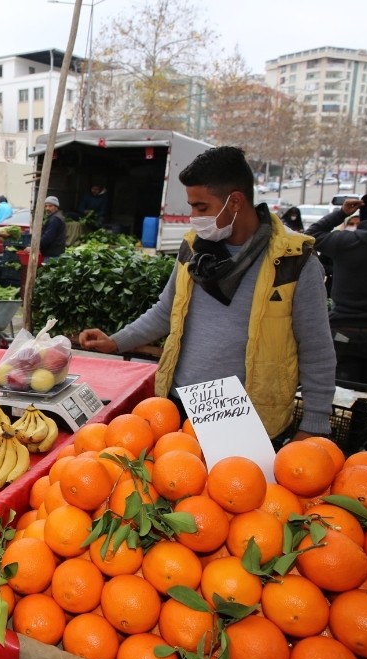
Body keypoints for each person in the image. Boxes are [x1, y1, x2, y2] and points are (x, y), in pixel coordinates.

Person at [79, 146, 334, 443]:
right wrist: (115, 341)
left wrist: (314, 424)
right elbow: (166, 311)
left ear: (235, 202)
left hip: (244, 416)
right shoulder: (194, 250)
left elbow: (316, 350)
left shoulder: (293, 261)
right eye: (191, 207)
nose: (194, 217)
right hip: (177, 404)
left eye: (201, 208)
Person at [303, 189, 367, 384]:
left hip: (343, 333)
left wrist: (342, 213)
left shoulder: (345, 242)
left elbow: (310, 235)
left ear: (364, 213)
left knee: (341, 395)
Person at [39, 195, 66, 262]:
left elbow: (47, 238)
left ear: (56, 207)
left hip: (52, 255)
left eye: (50, 206)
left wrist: (35, 246)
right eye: (46, 206)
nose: (47, 208)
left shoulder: (55, 219)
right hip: (54, 254)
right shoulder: (55, 217)